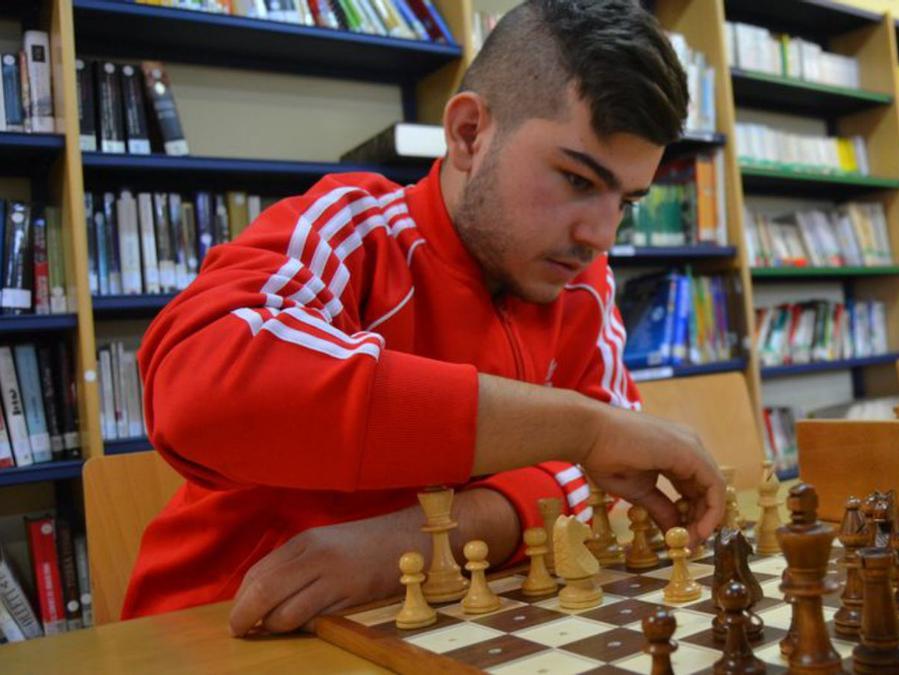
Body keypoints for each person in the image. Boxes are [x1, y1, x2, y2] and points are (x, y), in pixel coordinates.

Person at [123, 0, 726, 636]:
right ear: (469, 134)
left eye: (625, 200)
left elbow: (606, 481)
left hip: (445, 624)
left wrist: (411, 543)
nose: (601, 235)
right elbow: (201, 390)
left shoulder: (581, 283)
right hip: (227, 629)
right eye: (577, 180)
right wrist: (581, 428)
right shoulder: (353, 229)